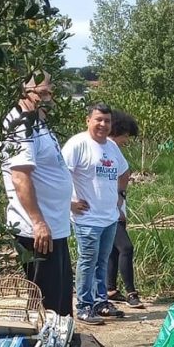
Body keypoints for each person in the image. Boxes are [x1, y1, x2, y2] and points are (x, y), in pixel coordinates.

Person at [0, 71, 74, 316]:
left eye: (49, 92)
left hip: (55, 227)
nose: (47, 98)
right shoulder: (20, 124)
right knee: (47, 308)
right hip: (37, 232)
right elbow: (20, 177)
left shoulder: (38, 122)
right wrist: (38, 222)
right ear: (23, 91)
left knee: (61, 305)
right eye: (41, 93)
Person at [62, 103, 130, 324]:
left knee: (102, 260)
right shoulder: (78, 144)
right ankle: (83, 305)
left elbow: (124, 171)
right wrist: (69, 202)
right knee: (88, 261)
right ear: (88, 120)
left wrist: (120, 197)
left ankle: (101, 302)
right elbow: (61, 174)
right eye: (98, 119)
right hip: (87, 218)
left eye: (107, 121)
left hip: (108, 216)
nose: (103, 124)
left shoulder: (111, 147)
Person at [106, 110, 143, 309]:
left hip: (115, 207)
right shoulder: (110, 147)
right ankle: (131, 292)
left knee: (113, 250)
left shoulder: (109, 148)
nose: (126, 140)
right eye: (126, 135)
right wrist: (119, 204)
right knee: (126, 248)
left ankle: (110, 288)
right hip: (111, 210)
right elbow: (124, 174)